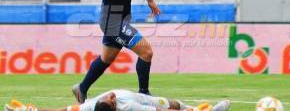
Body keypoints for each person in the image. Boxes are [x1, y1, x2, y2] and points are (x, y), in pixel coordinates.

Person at [45, 0, 161, 104]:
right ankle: (144, 95)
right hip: (111, 19)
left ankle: (82, 88)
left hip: (124, 16)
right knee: (146, 52)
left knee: (106, 58)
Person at [4, 89, 231, 111]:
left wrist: (33, 110)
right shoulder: (128, 107)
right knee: (172, 106)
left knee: (175, 104)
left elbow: (64, 109)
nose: (110, 95)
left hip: (138, 98)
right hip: (144, 102)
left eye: (108, 96)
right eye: (112, 99)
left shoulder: (91, 106)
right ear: (115, 106)